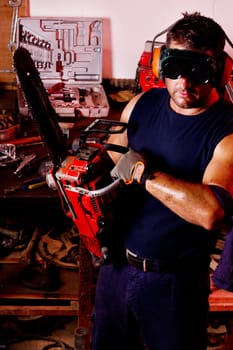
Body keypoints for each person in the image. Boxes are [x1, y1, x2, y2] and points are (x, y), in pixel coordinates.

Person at [91, 12, 233, 350]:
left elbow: (211, 211)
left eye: (198, 71)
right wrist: (79, 176)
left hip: (174, 282)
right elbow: (111, 159)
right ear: (159, 65)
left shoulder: (227, 133)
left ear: (222, 70)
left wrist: (142, 173)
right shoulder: (141, 105)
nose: (184, 83)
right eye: (174, 69)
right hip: (115, 269)